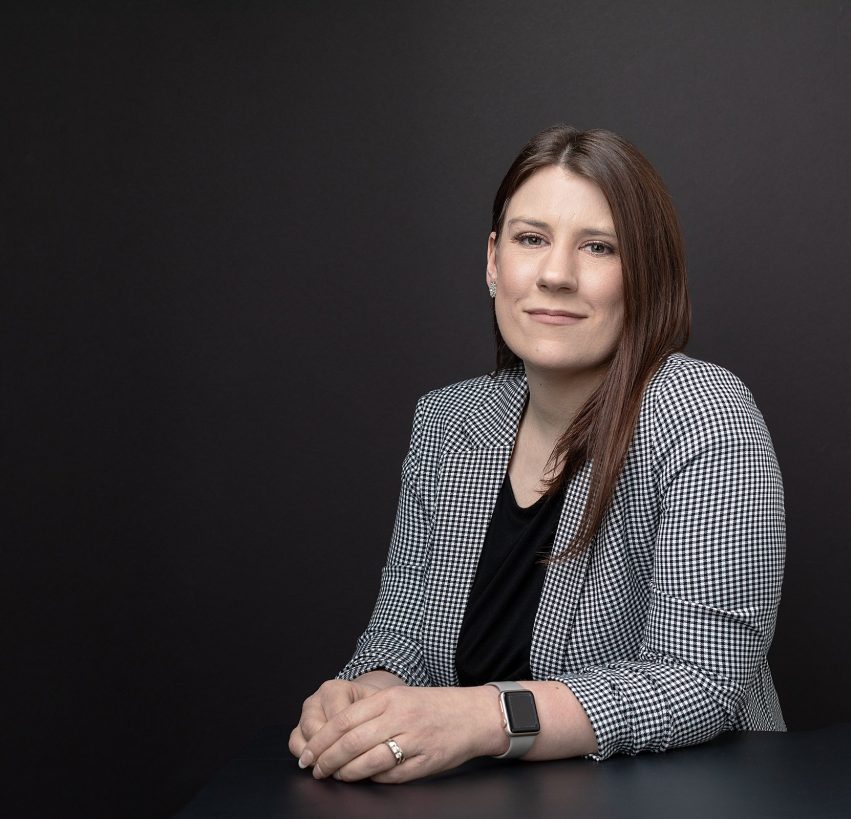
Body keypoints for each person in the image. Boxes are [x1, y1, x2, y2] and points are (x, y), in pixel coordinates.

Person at [289, 125, 786, 784]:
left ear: (647, 272)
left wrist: (481, 718)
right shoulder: (447, 422)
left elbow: (701, 678)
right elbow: (402, 634)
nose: (556, 274)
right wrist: (359, 700)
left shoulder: (705, 413)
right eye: (531, 239)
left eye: (599, 247)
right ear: (494, 261)